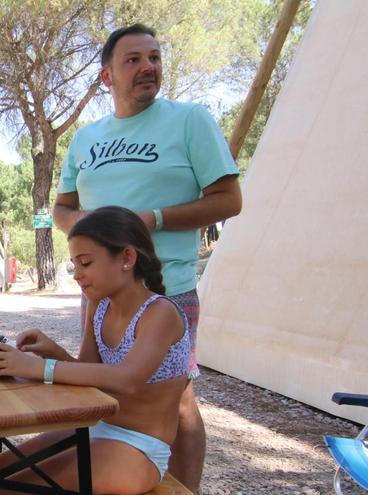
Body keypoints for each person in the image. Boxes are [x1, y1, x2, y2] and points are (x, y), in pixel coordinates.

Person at [52, 23, 242, 491]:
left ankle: (179, 488)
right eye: (133, 60)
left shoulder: (190, 120)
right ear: (106, 77)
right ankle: (114, 465)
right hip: (103, 286)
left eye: (154, 57)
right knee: (107, 383)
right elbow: (62, 208)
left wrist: (150, 219)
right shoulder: (85, 138)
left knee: (176, 398)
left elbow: (229, 200)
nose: (148, 68)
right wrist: (93, 236)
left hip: (167, 286)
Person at [0, 206, 190, 494]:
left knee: (9, 490)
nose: (77, 275)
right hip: (96, 427)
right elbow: (91, 375)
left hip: (141, 447)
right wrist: (53, 353)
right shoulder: (100, 306)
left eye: (86, 263)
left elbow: (127, 380)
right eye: (74, 265)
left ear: (127, 258)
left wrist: (39, 368)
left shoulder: (159, 313)